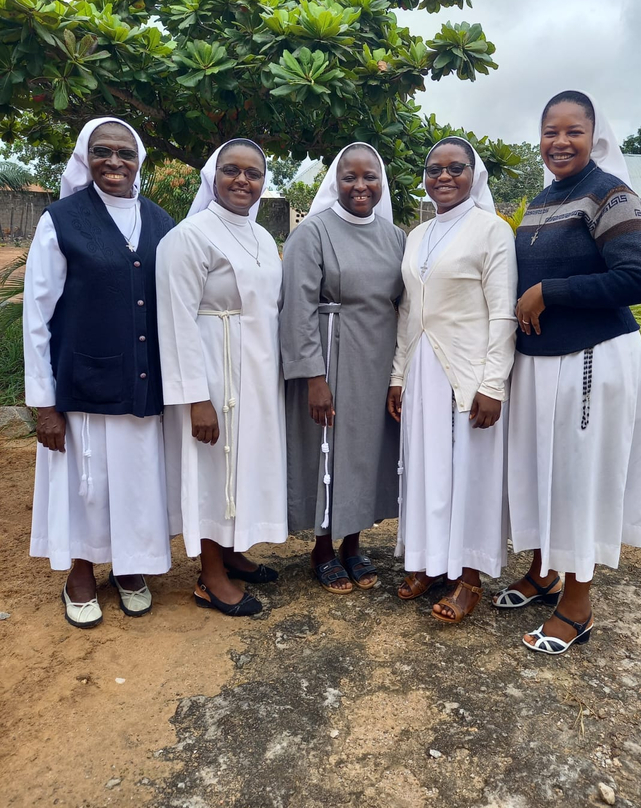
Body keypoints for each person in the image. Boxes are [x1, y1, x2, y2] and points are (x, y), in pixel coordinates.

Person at [493, 90, 641, 655]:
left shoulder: (612, 195)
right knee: (543, 472)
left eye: (573, 132)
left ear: (594, 137)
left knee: (579, 478)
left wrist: (549, 291)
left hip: (592, 360)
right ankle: (542, 572)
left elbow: (638, 280)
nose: (560, 142)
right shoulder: (540, 202)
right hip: (539, 365)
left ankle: (578, 605)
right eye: (550, 132)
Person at [24, 117, 176, 628]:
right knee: (86, 483)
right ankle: (82, 571)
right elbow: (37, 316)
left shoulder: (160, 221)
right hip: (82, 382)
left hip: (141, 380)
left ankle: (129, 568)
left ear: (140, 161)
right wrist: (44, 403)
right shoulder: (61, 219)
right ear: (84, 158)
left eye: (125, 153)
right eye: (102, 151)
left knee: (135, 480)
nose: (115, 162)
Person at [387, 137, 517, 624]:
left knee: (468, 472)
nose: (443, 176)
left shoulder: (492, 231)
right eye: (433, 168)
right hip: (422, 369)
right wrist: (398, 375)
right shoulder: (417, 235)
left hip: (468, 372)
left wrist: (493, 384)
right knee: (425, 469)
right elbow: (408, 311)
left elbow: (503, 313)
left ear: (473, 174)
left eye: (455, 168)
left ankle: (469, 577)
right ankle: (427, 561)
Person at [157, 139, 287, 617]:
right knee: (212, 468)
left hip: (253, 370)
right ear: (213, 175)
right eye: (232, 170)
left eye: (253, 173)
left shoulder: (262, 237)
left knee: (243, 463)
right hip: (211, 370)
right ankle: (210, 575)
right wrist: (197, 398)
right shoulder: (189, 237)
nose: (242, 180)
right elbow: (176, 319)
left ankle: (232, 552)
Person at [281, 143, 405, 593]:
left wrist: (399, 373)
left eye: (369, 177)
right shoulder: (312, 233)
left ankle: (352, 543)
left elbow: (404, 304)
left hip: (377, 356)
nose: (360, 186)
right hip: (329, 356)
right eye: (349, 177)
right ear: (335, 181)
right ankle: (321, 547)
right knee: (326, 447)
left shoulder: (395, 237)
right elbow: (295, 307)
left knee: (365, 450)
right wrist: (314, 376)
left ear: (381, 182)